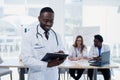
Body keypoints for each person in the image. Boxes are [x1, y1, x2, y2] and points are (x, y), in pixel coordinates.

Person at [20, 7, 66, 80]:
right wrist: (47, 64)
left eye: (51, 21)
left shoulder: (57, 35)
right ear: (39, 18)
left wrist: (61, 55)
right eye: (46, 20)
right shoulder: (29, 35)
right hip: (37, 77)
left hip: (53, 76)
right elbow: (26, 60)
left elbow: (62, 50)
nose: (49, 24)